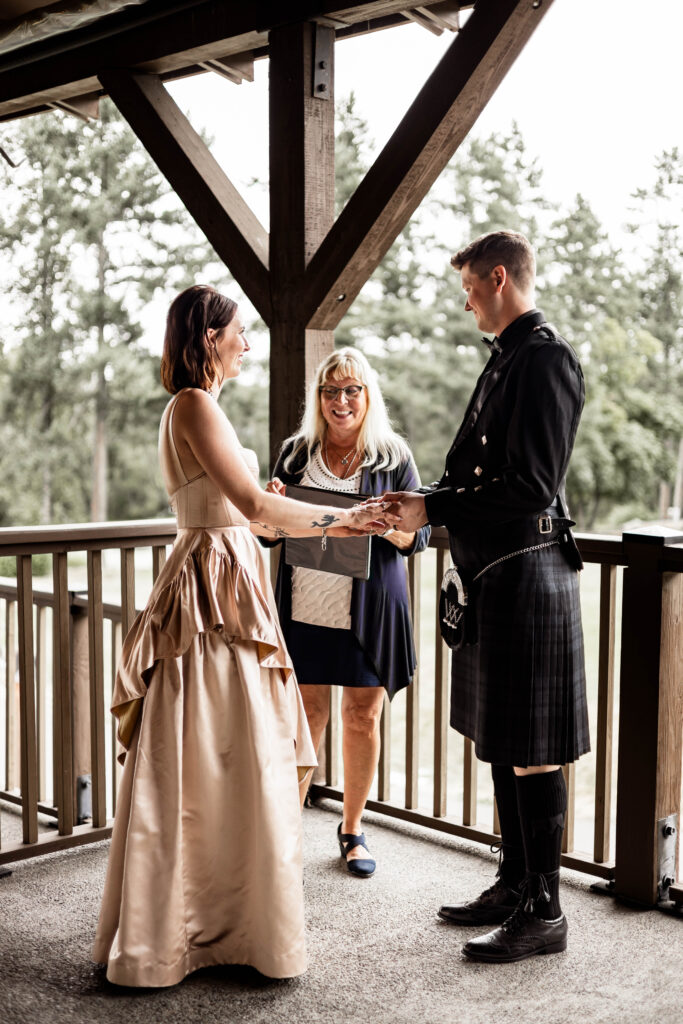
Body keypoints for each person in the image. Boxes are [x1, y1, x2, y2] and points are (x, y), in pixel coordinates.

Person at [92, 287, 391, 986]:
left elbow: (252, 519)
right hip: (210, 588)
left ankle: (227, 917)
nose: (248, 344)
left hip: (230, 572)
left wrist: (325, 518)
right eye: (238, 333)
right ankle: (189, 929)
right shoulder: (194, 404)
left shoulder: (205, 409)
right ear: (208, 337)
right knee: (206, 748)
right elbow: (256, 506)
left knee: (229, 749)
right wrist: (343, 522)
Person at [382, 231, 589, 962]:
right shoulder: (508, 357)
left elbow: (531, 486)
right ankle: (511, 881)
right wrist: (425, 500)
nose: (465, 297)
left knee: (532, 749)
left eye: (469, 285)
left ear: (498, 277)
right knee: (504, 738)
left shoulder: (545, 359)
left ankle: (545, 910)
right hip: (495, 572)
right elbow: (478, 478)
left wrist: (433, 510)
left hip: (528, 571)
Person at [263, 347, 430, 878]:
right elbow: (269, 531)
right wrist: (269, 512)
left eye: (351, 390)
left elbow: (418, 535)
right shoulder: (294, 454)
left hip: (368, 611)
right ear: (318, 398)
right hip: (306, 606)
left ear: (367, 395)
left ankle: (352, 829)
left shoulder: (392, 456)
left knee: (363, 717)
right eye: (330, 391)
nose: (341, 401)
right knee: (305, 718)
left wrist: (392, 528)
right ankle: (285, 830)